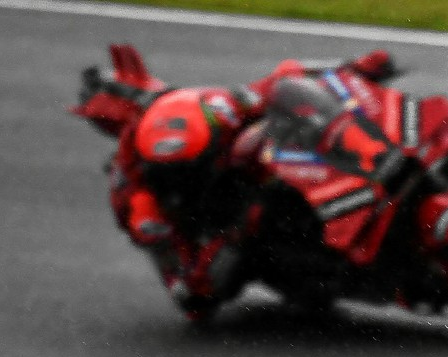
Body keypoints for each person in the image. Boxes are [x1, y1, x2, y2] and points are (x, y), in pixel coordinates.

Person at [72, 45, 397, 321]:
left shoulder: (215, 108)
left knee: (291, 128)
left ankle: (363, 172)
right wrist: (175, 244)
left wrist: (354, 69)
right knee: (198, 294)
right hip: (215, 230)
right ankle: (312, 276)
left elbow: (282, 78)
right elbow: (168, 257)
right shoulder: (132, 183)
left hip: (247, 181)